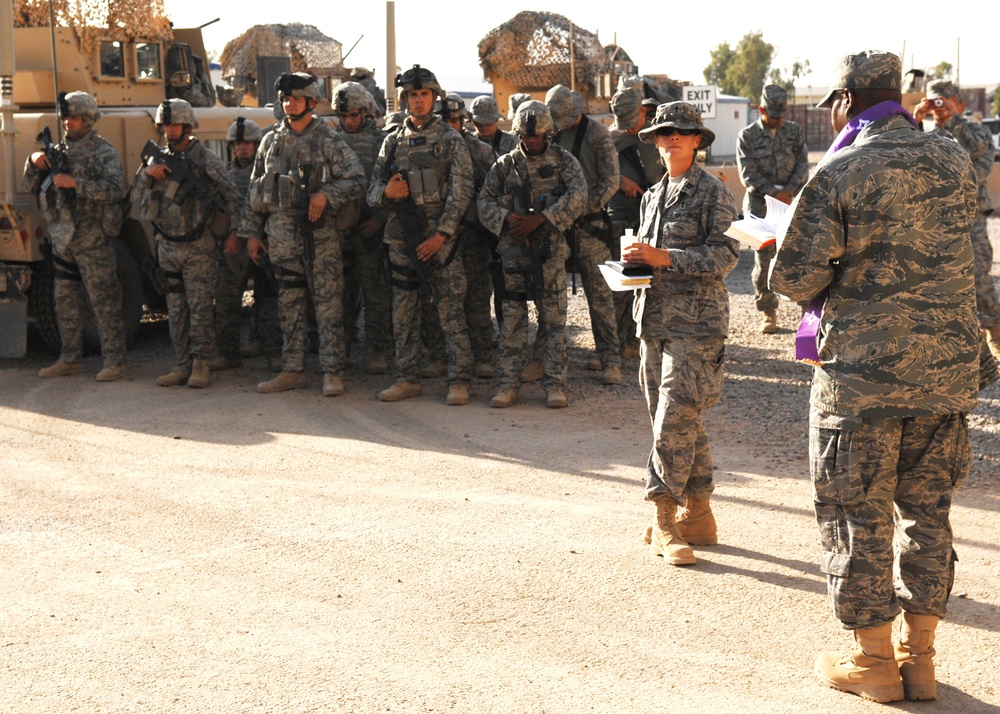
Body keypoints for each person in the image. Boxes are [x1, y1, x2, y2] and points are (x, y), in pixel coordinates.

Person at [769, 50, 982, 703]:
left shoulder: (840, 169)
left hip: (862, 382)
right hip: (943, 374)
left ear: (844, 102)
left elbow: (794, 278)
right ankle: (920, 658)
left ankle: (873, 662)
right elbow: (971, 258)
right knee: (929, 513)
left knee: (856, 512)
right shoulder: (954, 160)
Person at [621, 102, 739, 566]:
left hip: (697, 325)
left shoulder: (713, 192)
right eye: (663, 132)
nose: (671, 138)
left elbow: (727, 255)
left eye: (681, 132)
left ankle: (665, 520)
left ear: (696, 141)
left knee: (673, 416)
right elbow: (648, 259)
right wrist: (632, 265)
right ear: (654, 142)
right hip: (652, 322)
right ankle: (700, 511)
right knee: (676, 419)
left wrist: (665, 257)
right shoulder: (652, 195)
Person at [239, 72, 367, 397]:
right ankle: (292, 369)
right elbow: (255, 190)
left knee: (327, 307)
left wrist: (326, 196)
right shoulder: (270, 140)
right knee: (289, 305)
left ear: (311, 102)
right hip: (281, 238)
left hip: (320, 236)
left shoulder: (329, 139)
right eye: (284, 98)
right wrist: (252, 234)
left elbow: (356, 179)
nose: (288, 103)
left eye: (295, 98)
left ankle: (332, 372)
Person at [367, 64, 475, 405]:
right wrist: (387, 193)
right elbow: (370, 190)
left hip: (441, 241)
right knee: (404, 312)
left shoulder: (450, 139)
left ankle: (458, 380)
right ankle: (407, 377)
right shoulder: (392, 141)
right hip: (401, 238)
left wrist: (441, 235)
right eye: (412, 95)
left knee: (450, 311)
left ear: (435, 97)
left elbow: (462, 191)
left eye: (424, 94)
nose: (418, 101)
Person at [478, 100, 587, 408]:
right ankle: (508, 384)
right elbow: (483, 202)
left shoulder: (564, 161)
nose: (532, 141)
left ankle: (554, 384)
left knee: (554, 323)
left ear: (548, 133)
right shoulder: (504, 165)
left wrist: (542, 218)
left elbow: (579, 195)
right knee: (512, 323)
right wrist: (507, 219)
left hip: (549, 252)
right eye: (526, 137)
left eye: (537, 136)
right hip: (513, 254)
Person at [131, 98, 240, 389]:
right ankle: (182, 363)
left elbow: (233, 198)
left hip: (199, 245)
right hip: (167, 244)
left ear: (188, 126)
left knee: (201, 306)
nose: (169, 129)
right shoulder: (156, 160)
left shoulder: (205, 160)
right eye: (165, 124)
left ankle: (201, 363)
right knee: (175, 307)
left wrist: (234, 233)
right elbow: (133, 199)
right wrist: (146, 173)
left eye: (175, 124)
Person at [25, 91, 127, 382]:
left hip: (92, 237)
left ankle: (115, 361)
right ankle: (70, 358)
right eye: (66, 117)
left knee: (103, 300)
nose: (68, 122)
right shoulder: (56, 152)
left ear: (88, 119)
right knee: (65, 302)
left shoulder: (103, 152)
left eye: (75, 117)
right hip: (63, 238)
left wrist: (75, 184)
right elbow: (30, 183)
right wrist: (34, 161)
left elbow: (115, 190)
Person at [536, 84, 622, 386]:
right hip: (555, 226)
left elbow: (611, 180)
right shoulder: (548, 132)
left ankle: (611, 358)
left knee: (600, 297)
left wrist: (580, 207)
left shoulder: (597, 134)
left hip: (589, 226)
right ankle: (543, 359)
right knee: (550, 297)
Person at [914, 79, 1000, 359]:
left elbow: (979, 168)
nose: (938, 106)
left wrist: (951, 122)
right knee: (932, 279)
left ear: (960, 104)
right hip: (932, 218)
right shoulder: (921, 135)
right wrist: (914, 122)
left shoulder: (976, 132)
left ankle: (994, 330)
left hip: (969, 215)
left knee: (977, 276)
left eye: (945, 100)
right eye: (934, 101)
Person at [736, 84, 809, 334]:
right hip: (760, 207)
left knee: (799, 258)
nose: (778, 120)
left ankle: (806, 313)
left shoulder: (795, 132)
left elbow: (803, 165)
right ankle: (768, 311)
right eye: (773, 116)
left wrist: (789, 191)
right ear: (761, 110)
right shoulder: (747, 136)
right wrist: (775, 192)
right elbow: (747, 174)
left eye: (781, 116)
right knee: (764, 263)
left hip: (792, 204)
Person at [211, 117, 282, 373]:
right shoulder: (225, 174)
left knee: (268, 302)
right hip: (234, 249)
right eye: (238, 143)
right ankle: (229, 353)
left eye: (248, 143)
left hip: (263, 245)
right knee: (227, 300)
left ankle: (273, 351)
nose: (242, 148)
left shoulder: (266, 171)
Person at [333, 81, 394, 375]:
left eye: (353, 115)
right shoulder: (330, 141)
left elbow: (389, 184)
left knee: (375, 292)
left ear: (366, 113)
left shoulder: (382, 142)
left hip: (370, 228)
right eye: (343, 116)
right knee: (340, 293)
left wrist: (379, 219)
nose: (348, 121)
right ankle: (341, 348)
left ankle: (377, 349)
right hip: (339, 230)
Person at [440, 92, 500, 379]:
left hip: (473, 235)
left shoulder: (480, 151)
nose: (451, 125)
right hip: (441, 235)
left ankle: (483, 355)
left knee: (477, 298)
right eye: (445, 120)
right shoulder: (432, 147)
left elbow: (494, 195)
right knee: (444, 300)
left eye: (455, 120)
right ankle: (444, 356)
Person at [607, 86, 665, 360]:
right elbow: (595, 173)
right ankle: (620, 344)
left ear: (644, 111)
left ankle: (647, 341)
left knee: (650, 282)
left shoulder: (660, 136)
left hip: (654, 218)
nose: (628, 129)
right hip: (621, 218)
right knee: (622, 283)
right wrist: (618, 181)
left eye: (633, 121)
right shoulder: (608, 139)